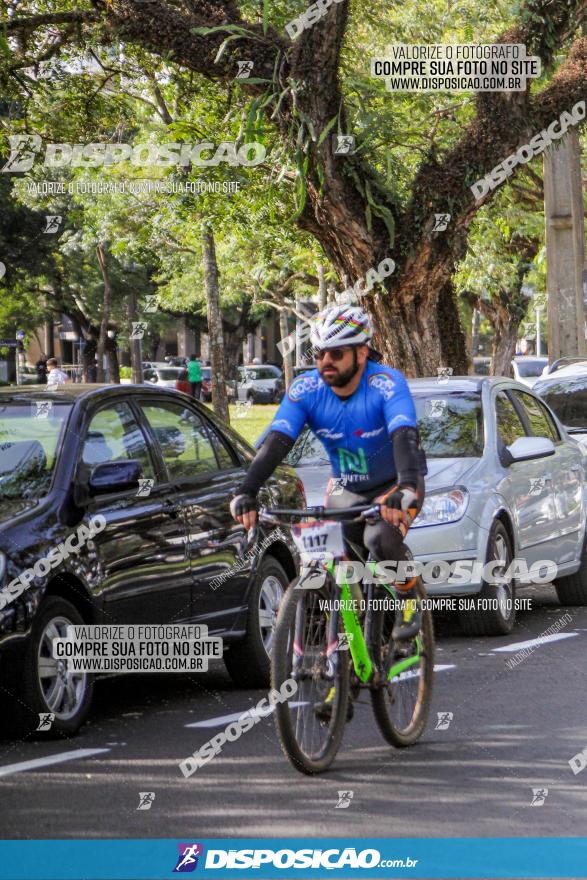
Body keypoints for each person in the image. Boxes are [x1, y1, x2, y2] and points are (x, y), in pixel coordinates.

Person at [230, 305, 427, 644]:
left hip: (393, 485)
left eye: (336, 354)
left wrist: (406, 486)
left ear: (362, 352)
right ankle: (349, 645)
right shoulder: (307, 389)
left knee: (378, 540)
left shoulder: (385, 383)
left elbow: (404, 437)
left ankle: (409, 596)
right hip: (347, 487)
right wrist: (247, 490)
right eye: (320, 353)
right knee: (334, 557)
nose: (325, 362)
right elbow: (276, 443)